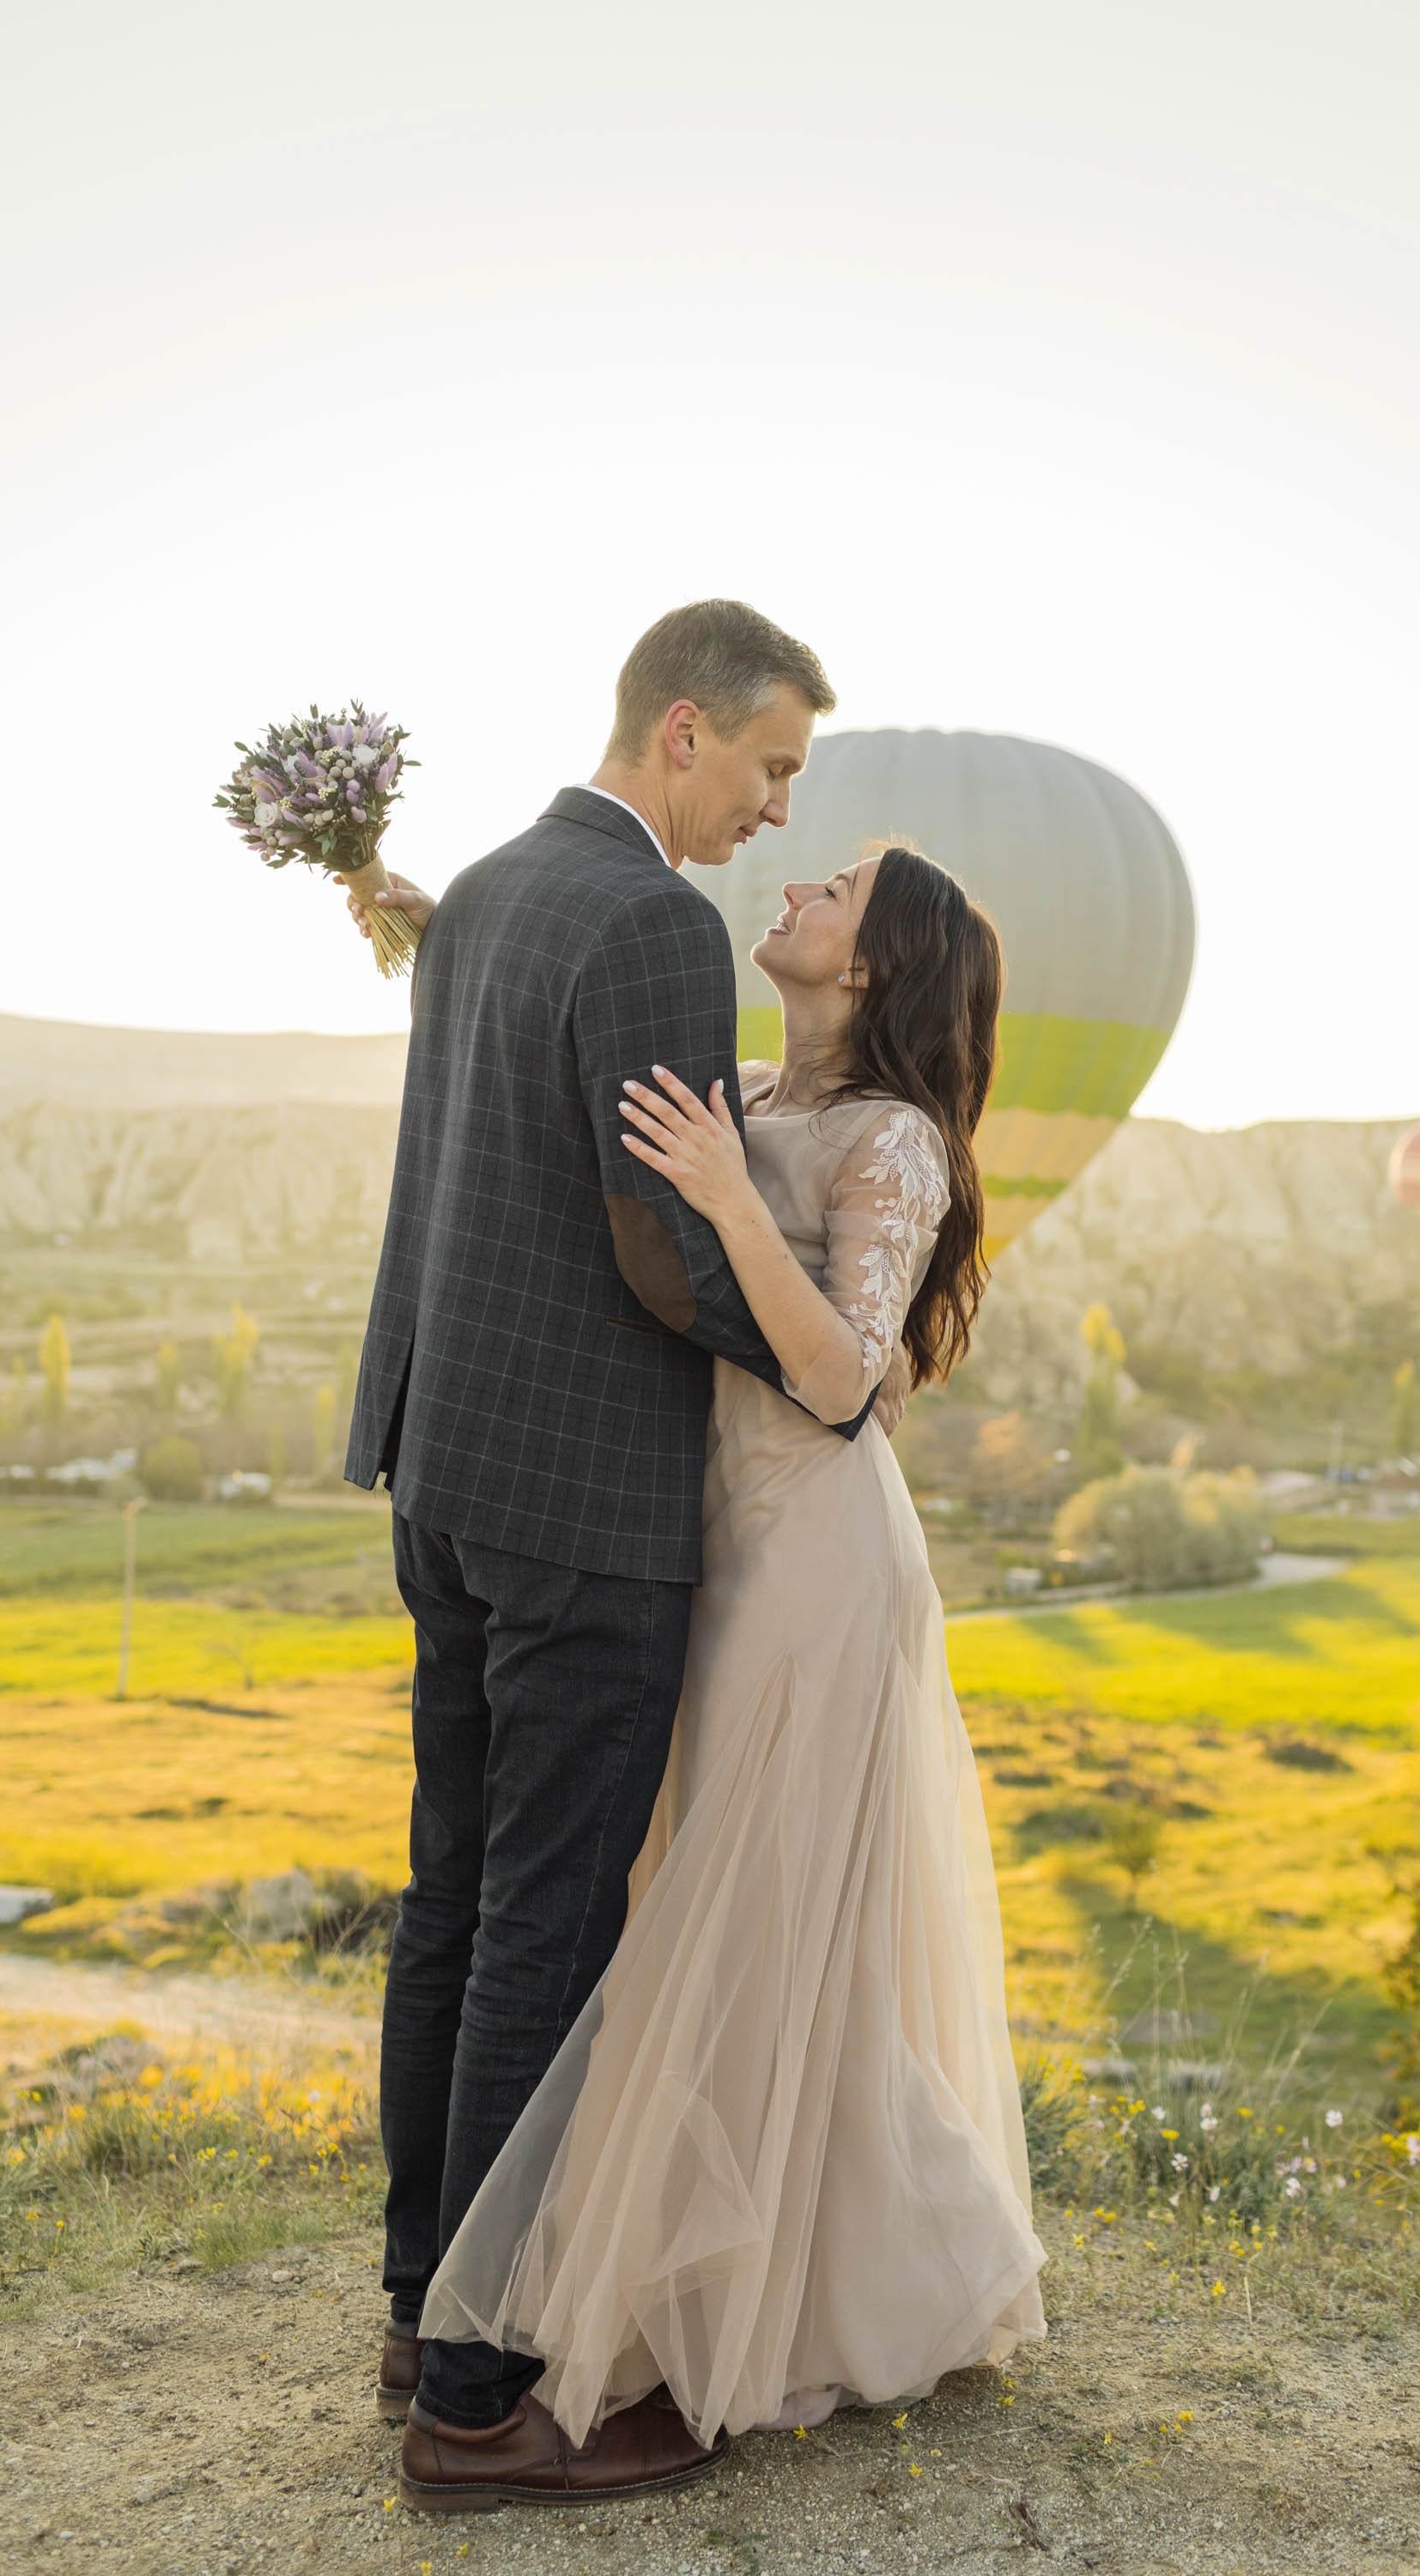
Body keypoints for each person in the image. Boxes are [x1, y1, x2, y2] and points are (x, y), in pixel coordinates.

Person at [403, 841, 1047, 2513]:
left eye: (832, 887)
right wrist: (420, 920)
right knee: (690, 1897)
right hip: (707, 1537)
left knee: (743, 1924)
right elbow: (579, 1060)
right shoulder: (753, 1082)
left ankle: (747, 2314)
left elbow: (842, 1379)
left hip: (814, 1563)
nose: (795, 886)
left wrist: (714, 1198)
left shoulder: (893, 1138)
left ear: (879, 963)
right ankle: (721, 2259)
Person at [343, 600, 851, 2508]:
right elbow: (660, 1238)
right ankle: (476, 2401)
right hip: (577, 1507)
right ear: (679, 738)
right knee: (548, 1924)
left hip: (446, 1470)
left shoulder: (477, 888)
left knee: (455, 1896)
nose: (773, 811)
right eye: (771, 766)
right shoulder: (650, 923)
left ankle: (420, 2301)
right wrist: (812, 1374)